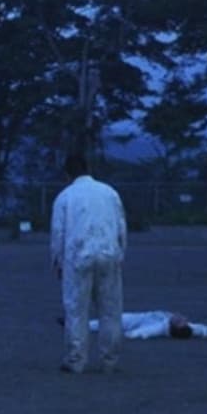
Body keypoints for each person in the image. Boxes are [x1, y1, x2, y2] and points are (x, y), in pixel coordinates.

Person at [51, 152, 127, 374]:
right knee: (110, 310)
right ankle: (110, 360)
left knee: (76, 310)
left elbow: (58, 233)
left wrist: (57, 261)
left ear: (67, 174)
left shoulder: (65, 197)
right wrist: (120, 254)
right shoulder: (110, 192)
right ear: (88, 168)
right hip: (108, 254)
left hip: (77, 257)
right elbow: (121, 226)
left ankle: (76, 360)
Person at [61, 311, 207, 340]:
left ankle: (75, 325)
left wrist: (125, 335)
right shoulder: (192, 329)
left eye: (180, 321)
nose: (182, 318)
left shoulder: (158, 328)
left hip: (135, 321)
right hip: (141, 318)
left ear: (174, 327)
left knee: (110, 321)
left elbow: (139, 334)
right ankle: (77, 324)